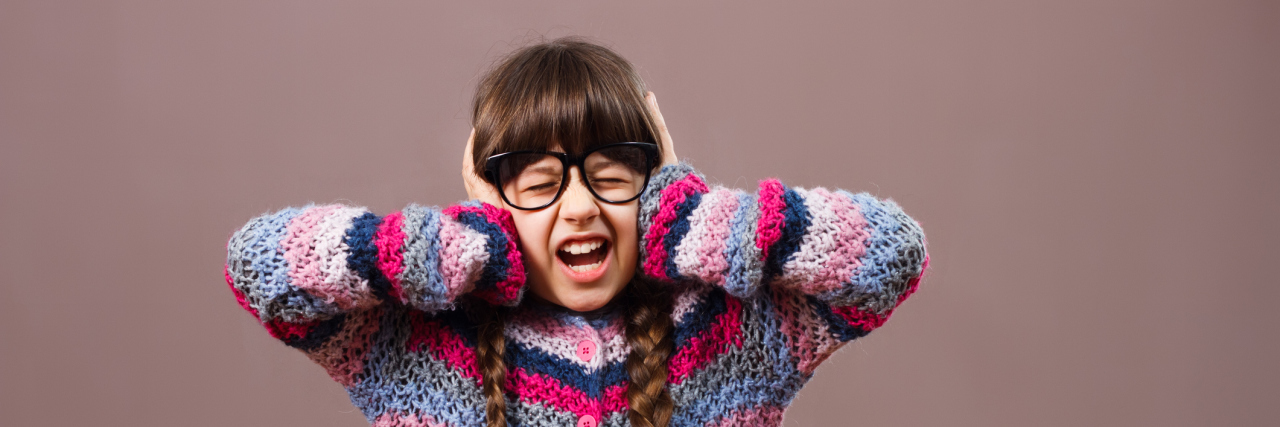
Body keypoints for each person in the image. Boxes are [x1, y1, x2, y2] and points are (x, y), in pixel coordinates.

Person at [224, 37, 929, 427]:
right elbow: (261, 268)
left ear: (649, 183)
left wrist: (694, 215)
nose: (581, 205)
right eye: (539, 180)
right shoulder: (422, 346)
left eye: (611, 171)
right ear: (497, 197)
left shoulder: (732, 335)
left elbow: (891, 254)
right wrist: (459, 242)